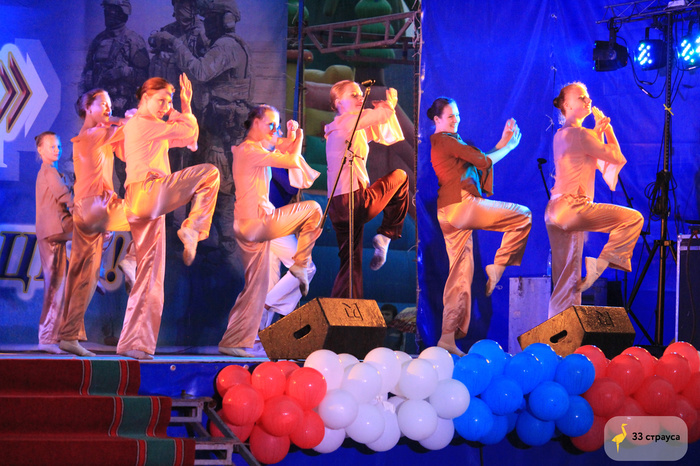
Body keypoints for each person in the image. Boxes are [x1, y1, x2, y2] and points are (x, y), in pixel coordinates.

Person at [117, 74, 220, 359]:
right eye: (161, 100)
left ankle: (133, 343)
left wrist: (179, 110)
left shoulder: (146, 126)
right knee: (210, 174)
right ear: (145, 97)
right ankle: (193, 228)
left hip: (141, 201)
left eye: (169, 101)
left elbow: (190, 138)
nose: (166, 106)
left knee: (150, 274)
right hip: (149, 192)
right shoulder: (144, 122)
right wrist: (183, 106)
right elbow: (188, 130)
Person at [427, 97, 531, 356]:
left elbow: (478, 163)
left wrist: (502, 144)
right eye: (450, 116)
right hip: (462, 206)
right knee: (523, 216)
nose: (456, 120)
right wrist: (509, 147)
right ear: (437, 119)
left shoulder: (447, 143)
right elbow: (484, 162)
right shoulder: (446, 141)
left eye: (457, 115)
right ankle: (499, 265)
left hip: (448, 214)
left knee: (459, 277)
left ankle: (447, 337)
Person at [219, 105, 322, 357]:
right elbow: (290, 159)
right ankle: (289, 278)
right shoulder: (252, 151)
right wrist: (298, 137)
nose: (276, 131)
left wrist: (291, 135)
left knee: (259, 285)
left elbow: (285, 149)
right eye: (271, 125)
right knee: (313, 211)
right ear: (255, 123)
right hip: (261, 224)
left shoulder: (256, 150)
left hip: (252, 224)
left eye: (277, 126)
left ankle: (240, 340)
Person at [547, 82, 643, 318]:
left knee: (564, 283)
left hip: (553, 211)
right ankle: (599, 265)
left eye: (588, 96)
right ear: (567, 105)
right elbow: (616, 156)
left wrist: (597, 132)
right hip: (573, 207)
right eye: (581, 97)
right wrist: (608, 130)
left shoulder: (561, 135)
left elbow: (586, 157)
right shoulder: (582, 134)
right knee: (633, 219)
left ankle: (555, 336)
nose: (588, 100)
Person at [57, 89, 136, 357]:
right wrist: (128, 117)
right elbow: (128, 126)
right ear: (87, 108)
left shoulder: (88, 137)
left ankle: (69, 336)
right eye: (102, 103)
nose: (107, 108)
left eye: (109, 104)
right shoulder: (94, 134)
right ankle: (131, 260)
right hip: (97, 208)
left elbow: (123, 147)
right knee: (148, 212)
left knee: (85, 277)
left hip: (85, 212)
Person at [325, 80, 409, 299]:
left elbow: (386, 134)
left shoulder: (344, 127)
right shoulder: (347, 121)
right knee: (400, 177)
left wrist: (386, 111)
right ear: (338, 103)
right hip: (354, 200)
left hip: (337, 206)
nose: (360, 97)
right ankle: (387, 234)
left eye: (360, 94)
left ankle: (344, 306)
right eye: (353, 95)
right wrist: (389, 104)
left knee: (350, 261)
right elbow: (381, 116)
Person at [34, 132, 73, 354]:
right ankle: (47, 338)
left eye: (58, 146)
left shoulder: (52, 171)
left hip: (55, 231)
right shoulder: (48, 171)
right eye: (51, 146)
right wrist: (79, 208)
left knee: (56, 286)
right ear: (40, 150)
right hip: (55, 230)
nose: (57, 150)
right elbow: (63, 195)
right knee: (54, 286)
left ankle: (49, 337)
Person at [81, 0, 149, 118]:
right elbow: (87, 71)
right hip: (99, 108)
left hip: (123, 108)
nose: (108, 14)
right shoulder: (99, 40)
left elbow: (145, 77)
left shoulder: (133, 41)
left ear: (122, 13)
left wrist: (122, 72)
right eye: (106, 10)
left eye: (112, 10)